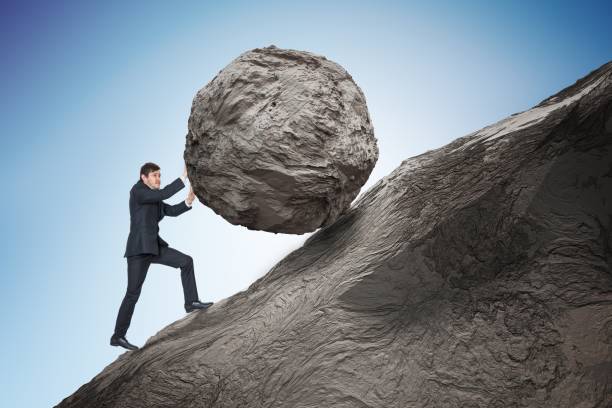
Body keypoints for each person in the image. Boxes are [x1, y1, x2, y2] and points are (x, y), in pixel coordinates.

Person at [110, 162, 213, 351]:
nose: (158, 178)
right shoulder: (138, 191)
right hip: (139, 251)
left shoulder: (154, 197)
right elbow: (163, 193)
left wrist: (188, 202)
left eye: (159, 175)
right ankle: (118, 336)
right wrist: (183, 177)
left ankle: (191, 303)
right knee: (132, 294)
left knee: (186, 262)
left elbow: (169, 211)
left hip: (155, 247)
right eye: (155, 175)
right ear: (144, 177)